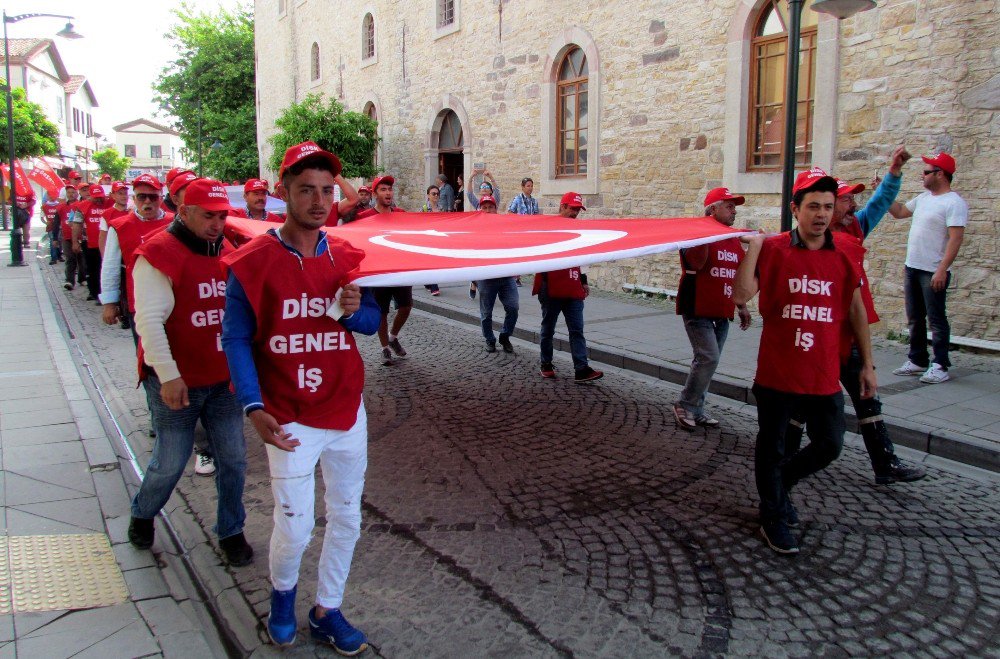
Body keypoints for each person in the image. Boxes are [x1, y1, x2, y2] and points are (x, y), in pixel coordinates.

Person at [221, 141, 380, 653]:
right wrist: (252, 404)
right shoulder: (251, 262)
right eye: (306, 189)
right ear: (282, 191)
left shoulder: (349, 256)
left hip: (345, 410)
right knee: (294, 527)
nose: (318, 200)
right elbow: (235, 337)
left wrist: (354, 311)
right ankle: (283, 599)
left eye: (326, 190)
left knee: (348, 517)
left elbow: (372, 324)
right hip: (288, 415)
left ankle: (327, 608)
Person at [733, 167, 876, 555]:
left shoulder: (846, 250)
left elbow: (857, 308)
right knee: (772, 444)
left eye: (828, 207)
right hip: (779, 371)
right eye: (813, 206)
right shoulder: (776, 248)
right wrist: (755, 248)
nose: (822, 214)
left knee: (830, 443)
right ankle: (773, 513)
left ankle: (777, 487)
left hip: (823, 371)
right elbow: (740, 295)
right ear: (795, 209)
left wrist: (867, 365)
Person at [126, 178, 253, 568]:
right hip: (176, 380)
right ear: (184, 212)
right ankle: (143, 512)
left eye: (222, 216)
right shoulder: (158, 253)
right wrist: (168, 375)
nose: (217, 224)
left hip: (220, 378)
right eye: (208, 216)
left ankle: (231, 529)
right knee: (170, 460)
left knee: (233, 458)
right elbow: (148, 321)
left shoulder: (227, 251)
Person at [787, 146, 925, 485]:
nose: (853, 206)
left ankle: (885, 464)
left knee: (867, 398)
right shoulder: (815, 239)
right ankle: (784, 460)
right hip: (822, 336)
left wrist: (893, 173)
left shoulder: (855, 228)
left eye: (849, 201)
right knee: (802, 403)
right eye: (847, 200)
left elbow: (879, 204)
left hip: (849, 334)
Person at [673, 187, 752, 430]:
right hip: (697, 307)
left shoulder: (734, 239)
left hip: (722, 310)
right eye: (728, 206)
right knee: (708, 357)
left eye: (734, 207)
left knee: (708, 362)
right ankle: (685, 404)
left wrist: (742, 306)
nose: (734, 211)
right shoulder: (696, 235)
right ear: (712, 209)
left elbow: (736, 276)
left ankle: (696, 409)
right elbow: (696, 263)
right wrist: (708, 232)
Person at [887, 152, 967, 384]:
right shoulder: (923, 198)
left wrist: (942, 269)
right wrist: (884, 193)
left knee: (936, 319)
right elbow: (900, 212)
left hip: (932, 270)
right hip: (912, 266)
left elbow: (956, 238)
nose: (922, 175)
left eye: (926, 172)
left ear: (940, 174)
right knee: (914, 317)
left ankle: (940, 365)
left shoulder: (954, 202)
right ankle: (917, 359)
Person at [534, 192, 603, 382]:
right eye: (572, 209)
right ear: (562, 207)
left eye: (578, 210)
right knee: (548, 328)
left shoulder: (579, 230)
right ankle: (546, 363)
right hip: (551, 286)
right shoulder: (548, 228)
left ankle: (581, 369)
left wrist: (584, 280)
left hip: (572, 285)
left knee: (577, 329)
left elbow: (581, 257)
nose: (575, 213)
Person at [357, 176, 412, 365]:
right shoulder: (364, 217)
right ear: (375, 194)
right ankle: (385, 348)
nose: (388, 193)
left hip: (399, 269)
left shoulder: (401, 214)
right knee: (381, 311)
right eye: (383, 189)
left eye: (389, 189)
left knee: (406, 306)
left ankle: (393, 337)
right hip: (378, 272)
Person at [474, 195, 519, 353]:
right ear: (480, 210)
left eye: (490, 207)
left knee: (513, 307)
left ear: (495, 209)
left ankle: (505, 336)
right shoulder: (476, 229)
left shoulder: (504, 226)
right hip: (486, 277)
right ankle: (489, 339)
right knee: (486, 313)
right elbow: (470, 252)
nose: (488, 210)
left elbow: (514, 244)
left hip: (506, 275)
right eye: (484, 208)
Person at [72, 184, 111, 303]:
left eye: (101, 197)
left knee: (106, 269)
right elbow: (76, 224)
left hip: (109, 244)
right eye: (96, 197)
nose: (99, 200)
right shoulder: (83, 206)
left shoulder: (111, 203)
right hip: (91, 244)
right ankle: (95, 292)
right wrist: (75, 242)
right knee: (93, 269)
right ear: (91, 196)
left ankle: (105, 293)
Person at [58, 182, 85, 290]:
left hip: (81, 237)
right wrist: (55, 238)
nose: (71, 194)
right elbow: (56, 221)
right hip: (66, 236)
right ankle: (69, 280)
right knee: (70, 259)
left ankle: (82, 278)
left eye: (73, 192)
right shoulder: (61, 207)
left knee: (81, 259)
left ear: (76, 193)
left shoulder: (81, 205)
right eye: (68, 192)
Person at [99, 181, 131, 256]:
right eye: (120, 193)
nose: (124, 196)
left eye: (125, 193)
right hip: (114, 252)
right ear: (113, 195)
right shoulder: (106, 214)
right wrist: (104, 255)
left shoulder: (134, 211)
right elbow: (102, 237)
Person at [41, 193, 62, 264]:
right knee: (52, 241)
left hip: (59, 226)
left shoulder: (60, 205)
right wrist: (45, 222)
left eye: (52, 195)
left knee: (59, 241)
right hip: (50, 227)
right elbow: (42, 217)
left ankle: (59, 255)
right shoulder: (44, 206)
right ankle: (53, 258)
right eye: (49, 195)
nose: (51, 197)